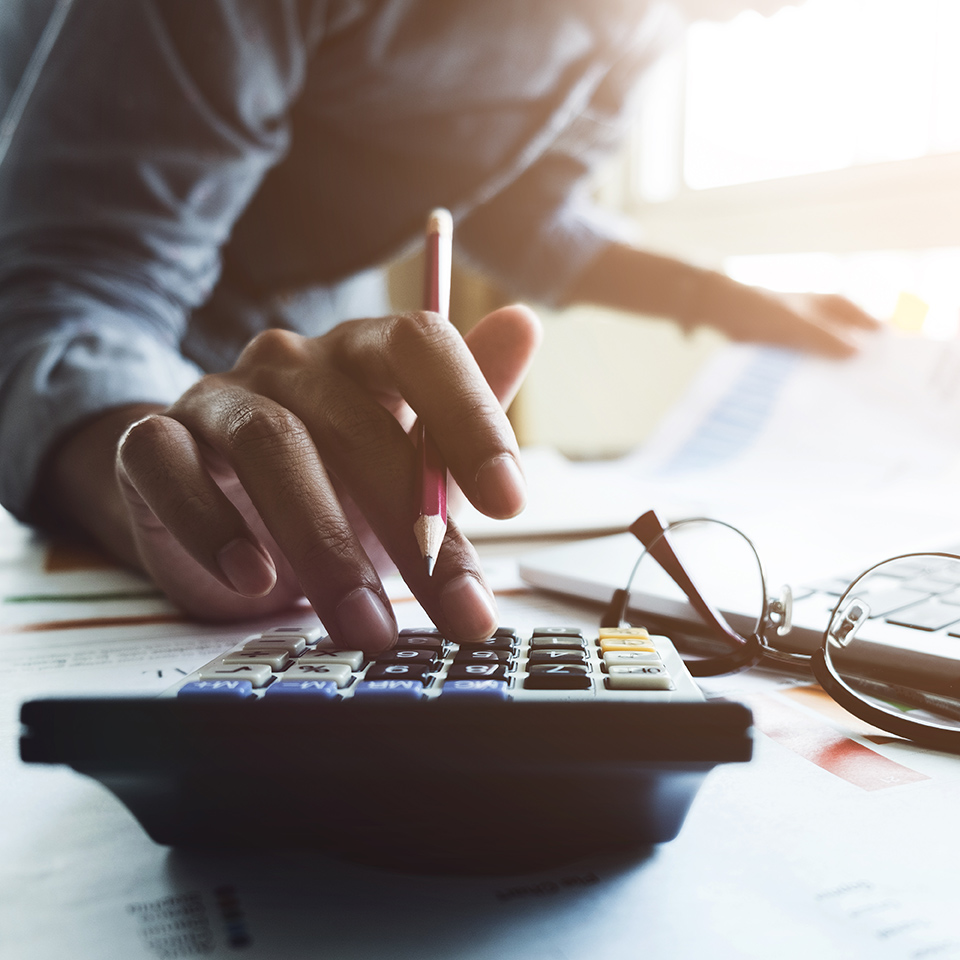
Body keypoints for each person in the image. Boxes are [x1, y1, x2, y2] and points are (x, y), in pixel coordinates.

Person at [0, 0, 878, 654]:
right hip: (136, 392)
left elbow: (528, 214)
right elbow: (73, 280)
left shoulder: (646, 21)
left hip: (286, 391)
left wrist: (720, 297)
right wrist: (146, 468)